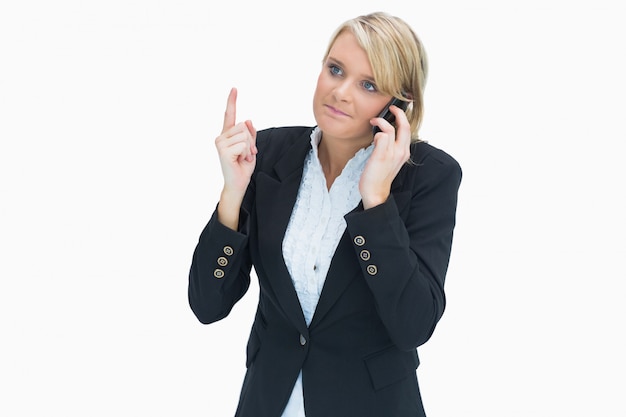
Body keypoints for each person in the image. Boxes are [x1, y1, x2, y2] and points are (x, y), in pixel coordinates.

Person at [188, 11, 462, 417]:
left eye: (368, 85)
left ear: (398, 105)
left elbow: (413, 326)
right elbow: (207, 305)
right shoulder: (268, 155)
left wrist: (377, 202)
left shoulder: (429, 177)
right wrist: (233, 194)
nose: (341, 92)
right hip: (269, 401)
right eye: (336, 70)